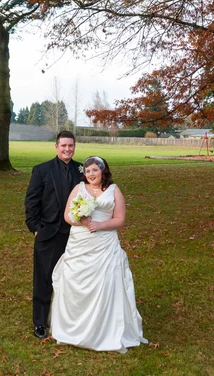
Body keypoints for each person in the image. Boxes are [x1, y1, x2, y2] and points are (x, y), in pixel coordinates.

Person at [50, 156, 147, 353]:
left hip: (105, 244)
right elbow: (68, 215)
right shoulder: (79, 189)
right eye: (87, 172)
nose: (91, 175)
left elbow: (119, 219)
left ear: (103, 171)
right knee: (74, 280)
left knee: (106, 282)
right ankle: (73, 327)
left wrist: (100, 225)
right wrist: (82, 222)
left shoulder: (114, 190)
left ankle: (104, 329)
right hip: (80, 243)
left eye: (94, 170)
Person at [25, 130, 82, 339]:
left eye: (71, 145)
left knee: (73, 278)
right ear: (56, 147)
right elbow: (31, 202)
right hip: (49, 233)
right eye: (63, 145)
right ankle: (40, 322)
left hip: (77, 235)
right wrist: (36, 227)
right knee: (44, 278)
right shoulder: (41, 170)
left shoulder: (83, 170)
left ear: (75, 147)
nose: (67, 149)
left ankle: (69, 320)